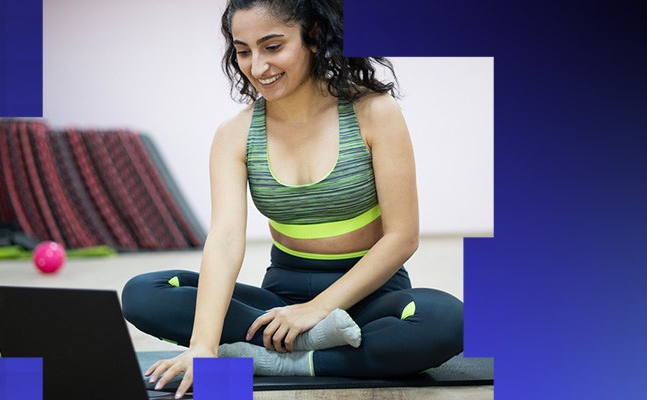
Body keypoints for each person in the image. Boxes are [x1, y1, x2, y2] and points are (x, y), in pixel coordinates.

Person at [120, 0, 464, 397]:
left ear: (313, 38)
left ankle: (271, 359)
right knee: (143, 292)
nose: (257, 67)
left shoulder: (373, 112)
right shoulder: (235, 134)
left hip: (371, 298)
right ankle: (313, 350)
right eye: (243, 51)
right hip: (279, 302)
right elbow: (226, 238)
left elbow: (402, 237)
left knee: (446, 320)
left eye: (273, 46)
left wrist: (316, 310)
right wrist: (203, 346)